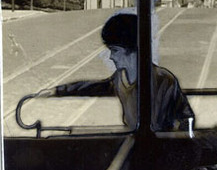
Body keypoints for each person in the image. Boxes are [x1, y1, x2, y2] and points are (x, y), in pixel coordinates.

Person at [39, 11, 195, 132]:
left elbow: (186, 118)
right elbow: (93, 87)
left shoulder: (163, 80)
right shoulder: (120, 78)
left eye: (115, 50)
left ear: (132, 51)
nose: (111, 57)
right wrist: (57, 90)